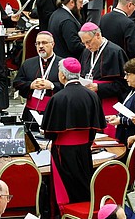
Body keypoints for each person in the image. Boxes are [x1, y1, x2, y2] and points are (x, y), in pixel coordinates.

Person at [41, 57, 106, 210]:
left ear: (62, 75)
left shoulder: (57, 98)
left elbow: (49, 132)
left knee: (66, 188)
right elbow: (96, 126)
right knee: (84, 182)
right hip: (85, 149)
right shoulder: (92, 95)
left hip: (63, 151)